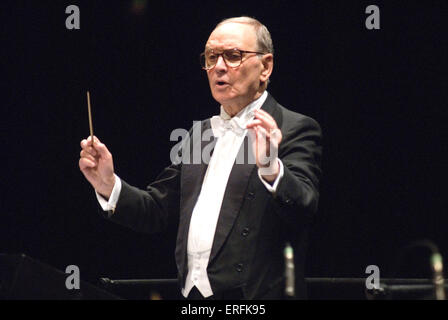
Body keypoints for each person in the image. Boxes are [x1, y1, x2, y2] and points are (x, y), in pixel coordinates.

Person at [79, 16, 322, 300]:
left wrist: (270, 167)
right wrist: (108, 184)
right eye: (211, 57)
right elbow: (158, 210)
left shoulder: (294, 127)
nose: (218, 67)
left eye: (233, 56)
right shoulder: (200, 134)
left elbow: (304, 206)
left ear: (265, 66)